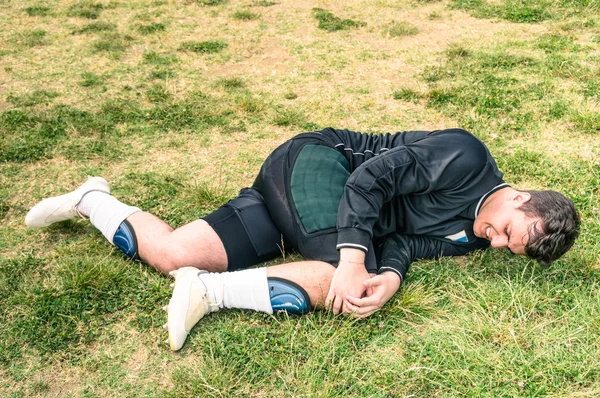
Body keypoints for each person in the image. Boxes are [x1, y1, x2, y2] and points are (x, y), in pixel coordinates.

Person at [25, 127, 580, 351]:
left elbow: (408, 245)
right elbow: (371, 179)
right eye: (510, 232)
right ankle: (209, 290)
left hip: (300, 206)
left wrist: (387, 277)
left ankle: (91, 199)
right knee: (332, 281)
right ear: (520, 197)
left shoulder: (477, 239)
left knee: (168, 252)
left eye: (512, 250)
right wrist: (354, 260)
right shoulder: (467, 156)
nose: (498, 243)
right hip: (317, 166)